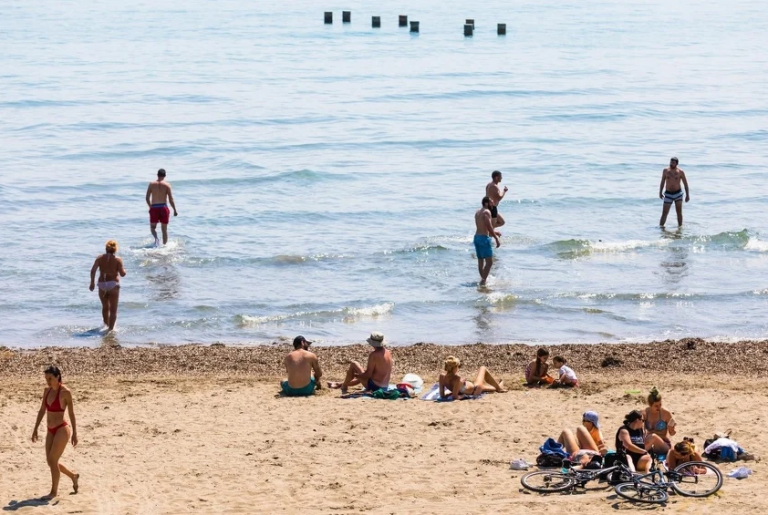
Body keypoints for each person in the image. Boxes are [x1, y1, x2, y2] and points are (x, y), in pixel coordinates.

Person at [31, 366, 79, 499]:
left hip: (62, 429)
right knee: (51, 461)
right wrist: (35, 429)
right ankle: (73, 476)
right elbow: (42, 410)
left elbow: (72, 413)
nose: (47, 381)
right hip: (50, 430)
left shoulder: (65, 392)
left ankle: (53, 492)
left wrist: (75, 433)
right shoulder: (46, 391)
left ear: (57, 377)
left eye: (50, 378)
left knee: (52, 460)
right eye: (46, 378)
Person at [327, 332, 392, 394]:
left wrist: (355, 375)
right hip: (385, 386)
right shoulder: (388, 352)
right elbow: (374, 373)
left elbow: (367, 375)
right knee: (361, 375)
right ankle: (339, 384)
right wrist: (359, 375)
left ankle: (344, 386)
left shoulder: (373, 355)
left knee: (354, 364)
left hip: (375, 387)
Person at [89, 240, 127, 332]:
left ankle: (105, 326)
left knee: (105, 307)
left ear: (106, 248)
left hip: (102, 284)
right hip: (113, 285)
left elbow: (93, 270)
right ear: (115, 249)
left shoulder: (99, 258)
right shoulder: (118, 259)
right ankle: (110, 330)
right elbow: (122, 274)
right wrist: (124, 270)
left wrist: (92, 283)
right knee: (113, 310)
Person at [438, 356, 507, 399]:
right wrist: (464, 396)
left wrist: (459, 385)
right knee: (483, 368)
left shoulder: (442, 377)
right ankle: (499, 388)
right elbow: (455, 397)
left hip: (473, 388)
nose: (458, 368)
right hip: (475, 389)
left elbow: (442, 395)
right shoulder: (457, 378)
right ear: (454, 368)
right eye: (457, 367)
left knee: (493, 388)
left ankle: (499, 386)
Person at [145, 168, 178, 246]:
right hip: (163, 207)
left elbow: (147, 198)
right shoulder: (167, 185)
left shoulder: (151, 184)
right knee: (164, 230)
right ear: (165, 176)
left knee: (153, 228)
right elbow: (170, 199)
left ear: (157, 175)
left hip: (154, 208)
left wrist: (150, 207)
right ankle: (165, 247)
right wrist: (175, 210)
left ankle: (156, 239)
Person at [474, 196, 501, 286]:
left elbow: (482, 226)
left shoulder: (478, 212)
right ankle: (483, 281)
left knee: (480, 261)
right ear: (486, 203)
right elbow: (489, 227)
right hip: (483, 239)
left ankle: (483, 280)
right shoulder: (487, 212)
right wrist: (496, 238)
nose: (492, 203)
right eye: (491, 202)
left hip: (477, 237)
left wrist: (494, 232)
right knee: (489, 262)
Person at [659, 157, 690, 227]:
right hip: (668, 194)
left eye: (673, 163)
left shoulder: (680, 172)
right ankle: (660, 228)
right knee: (664, 213)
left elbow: (685, 184)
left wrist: (687, 195)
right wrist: (660, 192)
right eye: (670, 162)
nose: (671, 164)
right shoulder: (665, 171)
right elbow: (662, 182)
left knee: (679, 213)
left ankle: (680, 228)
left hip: (678, 194)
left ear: (676, 164)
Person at [644, 387, 676, 452]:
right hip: (649, 442)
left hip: (663, 442)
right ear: (650, 405)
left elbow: (672, 433)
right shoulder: (645, 412)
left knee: (653, 437)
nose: (659, 407)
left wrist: (671, 429)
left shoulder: (666, 413)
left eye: (660, 404)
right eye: (656, 406)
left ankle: (641, 452)